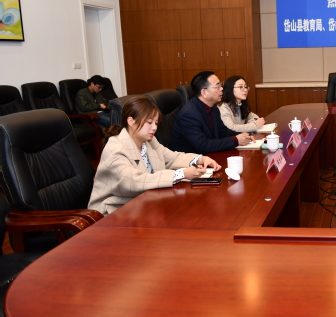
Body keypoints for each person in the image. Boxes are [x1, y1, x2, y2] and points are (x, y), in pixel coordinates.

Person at [88, 96, 221, 215]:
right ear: (131, 121)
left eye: (156, 123)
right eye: (149, 122)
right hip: (116, 210)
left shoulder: (149, 141)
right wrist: (181, 174)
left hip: (147, 202)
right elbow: (133, 181)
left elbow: (171, 158)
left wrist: (199, 159)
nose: (154, 128)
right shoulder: (115, 148)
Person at [172, 71, 254, 154]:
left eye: (220, 85)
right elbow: (202, 145)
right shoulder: (189, 114)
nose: (221, 88)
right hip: (192, 159)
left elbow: (223, 132)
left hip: (210, 154)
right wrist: (235, 140)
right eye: (217, 86)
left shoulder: (213, 107)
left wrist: (244, 135)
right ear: (204, 92)